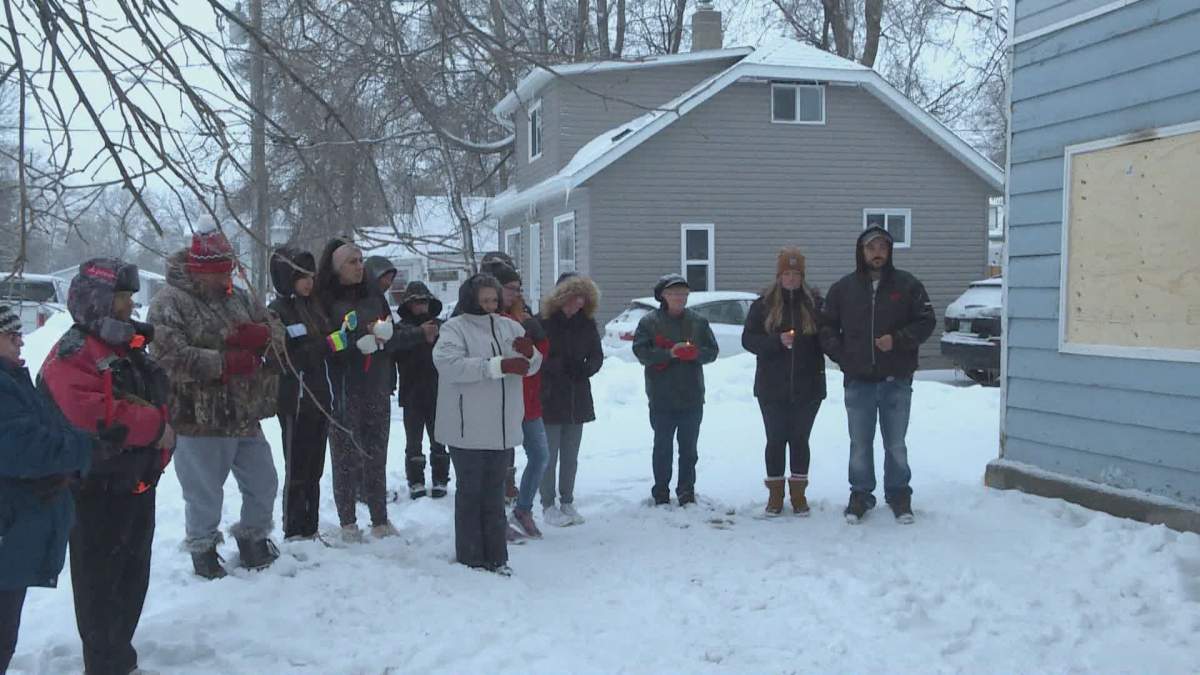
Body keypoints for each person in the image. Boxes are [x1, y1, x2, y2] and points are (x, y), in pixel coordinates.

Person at [39, 259, 174, 675]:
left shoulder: (124, 346)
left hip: (135, 484)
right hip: (95, 491)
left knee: (132, 579)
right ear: (96, 300)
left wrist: (161, 445)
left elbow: (154, 399)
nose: (129, 306)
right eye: (121, 297)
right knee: (101, 585)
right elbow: (90, 414)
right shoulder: (73, 352)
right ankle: (105, 664)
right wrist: (155, 428)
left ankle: (121, 658)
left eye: (130, 298)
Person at [148, 220, 284, 578]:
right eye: (219, 272)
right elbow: (167, 356)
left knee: (264, 481)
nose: (226, 278)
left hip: (243, 412)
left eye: (229, 270)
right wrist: (225, 361)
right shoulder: (168, 301)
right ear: (199, 269)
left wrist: (265, 336)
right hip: (197, 416)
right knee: (204, 492)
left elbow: (277, 331)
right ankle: (203, 548)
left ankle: (254, 538)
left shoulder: (240, 296)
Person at [315, 238, 434, 542]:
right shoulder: (325, 300)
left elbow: (389, 336)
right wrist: (354, 342)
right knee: (344, 457)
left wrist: (417, 334)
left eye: (360, 259)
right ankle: (348, 523)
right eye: (352, 262)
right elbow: (325, 346)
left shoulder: (374, 298)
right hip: (343, 389)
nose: (359, 266)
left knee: (376, 454)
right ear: (336, 268)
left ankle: (380, 519)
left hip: (377, 385)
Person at [0, 305, 95, 673]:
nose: (20, 341)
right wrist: (87, 448)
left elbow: (51, 431)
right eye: (10, 335)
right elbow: (26, 448)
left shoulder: (12, 379)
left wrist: (77, 446)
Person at [819, 226, 935, 524]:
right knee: (860, 443)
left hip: (896, 380)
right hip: (859, 382)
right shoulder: (843, 289)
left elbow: (926, 321)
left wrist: (897, 340)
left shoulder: (907, 285)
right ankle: (861, 494)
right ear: (861, 251)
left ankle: (899, 496)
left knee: (895, 444)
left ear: (889, 251)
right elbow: (826, 327)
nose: (877, 253)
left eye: (882, 247)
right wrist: (844, 356)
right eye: (871, 248)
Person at [432, 274, 542, 575]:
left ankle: (497, 556)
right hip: (466, 428)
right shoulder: (455, 328)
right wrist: (497, 366)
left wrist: (530, 355)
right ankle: (471, 557)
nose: (490, 306)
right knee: (471, 493)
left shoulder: (509, 325)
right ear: (470, 299)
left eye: (494, 300)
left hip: (502, 427)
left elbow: (532, 365)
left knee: (495, 495)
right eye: (484, 301)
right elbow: (449, 365)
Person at [741, 247, 826, 517]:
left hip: (808, 387)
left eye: (796, 273)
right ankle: (775, 496)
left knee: (800, 440)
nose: (791, 278)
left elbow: (829, 338)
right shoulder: (763, 304)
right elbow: (748, 340)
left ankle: (798, 495)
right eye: (786, 273)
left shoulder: (814, 305)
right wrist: (775, 342)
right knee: (775, 440)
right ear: (779, 276)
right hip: (771, 387)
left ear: (802, 276)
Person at [632, 274, 719, 506]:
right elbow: (641, 352)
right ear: (663, 296)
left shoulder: (698, 322)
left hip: (691, 396)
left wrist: (696, 354)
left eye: (683, 294)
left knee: (689, 449)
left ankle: (686, 490)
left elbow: (712, 351)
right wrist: (669, 353)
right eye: (675, 294)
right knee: (662, 447)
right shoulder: (649, 323)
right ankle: (661, 491)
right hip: (661, 396)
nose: (680, 298)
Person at [268, 247, 334, 540]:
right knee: (296, 466)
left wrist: (341, 340)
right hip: (295, 399)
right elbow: (284, 358)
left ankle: (311, 526)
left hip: (320, 395)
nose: (309, 282)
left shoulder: (314, 307)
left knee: (315, 468)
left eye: (311, 276)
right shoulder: (277, 311)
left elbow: (326, 346)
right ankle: (293, 528)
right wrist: (327, 345)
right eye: (301, 276)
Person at [487, 262, 550, 540]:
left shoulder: (524, 317)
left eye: (518, 289)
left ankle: (523, 509)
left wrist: (530, 328)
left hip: (529, 399)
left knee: (540, 455)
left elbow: (542, 352)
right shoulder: (491, 318)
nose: (516, 294)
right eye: (511, 288)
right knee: (498, 462)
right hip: (502, 400)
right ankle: (495, 518)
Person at [538, 272, 604, 527]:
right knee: (548, 454)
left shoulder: (587, 324)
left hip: (578, 397)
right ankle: (547, 503)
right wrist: (559, 366)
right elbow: (535, 357)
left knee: (570, 454)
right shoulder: (542, 323)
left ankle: (567, 500)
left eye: (582, 298)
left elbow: (597, 356)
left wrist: (585, 368)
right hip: (550, 396)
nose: (578, 303)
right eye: (574, 297)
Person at [394, 281, 446, 500]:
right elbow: (394, 350)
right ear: (408, 305)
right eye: (415, 302)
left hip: (438, 393)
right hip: (412, 393)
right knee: (413, 443)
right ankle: (415, 480)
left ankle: (441, 479)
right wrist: (418, 335)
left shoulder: (442, 327)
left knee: (440, 440)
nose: (420, 306)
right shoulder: (401, 330)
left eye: (424, 301)